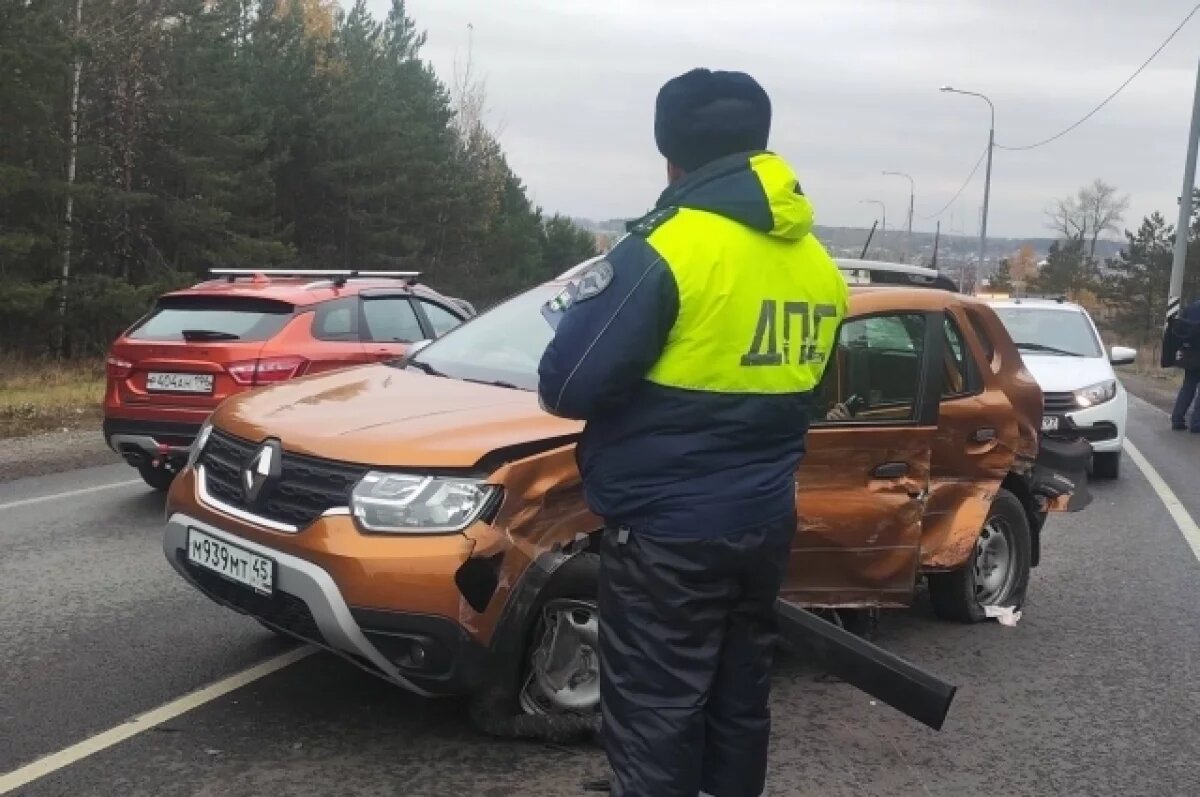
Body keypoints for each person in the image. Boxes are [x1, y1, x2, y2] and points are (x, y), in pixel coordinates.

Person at [537, 68, 848, 797]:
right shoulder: (819, 267)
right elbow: (815, 390)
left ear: (672, 156)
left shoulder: (668, 249)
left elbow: (567, 382)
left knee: (657, 707)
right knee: (739, 696)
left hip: (668, 532)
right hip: (765, 518)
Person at [1162, 297, 1200, 432]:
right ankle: (1197, 424)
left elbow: (1180, 329)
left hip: (1190, 354)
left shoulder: (1191, 307)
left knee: (1188, 386)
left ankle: (1177, 419)